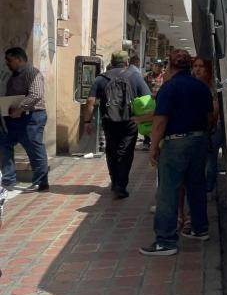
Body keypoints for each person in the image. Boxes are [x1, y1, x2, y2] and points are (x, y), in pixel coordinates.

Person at [140, 49, 213, 256]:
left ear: (170, 67)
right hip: (199, 140)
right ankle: (200, 229)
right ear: (189, 66)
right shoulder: (201, 87)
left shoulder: (169, 88)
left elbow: (160, 121)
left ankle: (165, 241)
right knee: (196, 186)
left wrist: (153, 147)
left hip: (176, 143)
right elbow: (209, 117)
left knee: (168, 191)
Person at [83, 51, 151, 199]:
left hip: (109, 121)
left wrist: (87, 121)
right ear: (127, 62)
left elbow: (90, 101)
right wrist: (145, 118)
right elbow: (147, 98)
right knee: (126, 152)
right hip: (130, 121)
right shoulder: (135, 77)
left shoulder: (101, 78)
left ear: (112, 62)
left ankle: (114, 181)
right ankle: (121, 185)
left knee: (111, 150)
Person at [0, 47, 49, 191]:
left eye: (9, 60)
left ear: (19, 59)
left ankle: (41, 181)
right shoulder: (13, 77)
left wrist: (20, 109)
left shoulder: (32, 73)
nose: (7, 63)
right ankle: (8, 180)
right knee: (4, 144)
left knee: (34, 148)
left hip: (31, 117)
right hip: (14, 119)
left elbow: (36, 94)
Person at [192, 57, 223, 193]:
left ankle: (208, 189)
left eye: (201, 66)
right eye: (195, 66)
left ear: (207, 69)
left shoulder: (212, 86)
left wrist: (210, 126)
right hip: (198, 128)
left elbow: (215, 109)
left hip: (212, 128)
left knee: (210, 159)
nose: (197, 69)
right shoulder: (192, 84)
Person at [141, 59, 165, 150]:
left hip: (160, 102)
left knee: (158, 122)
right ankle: (146, 141)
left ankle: (158, 141)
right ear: (152, 66)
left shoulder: (164, 76)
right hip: (149, 102)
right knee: (148, 122)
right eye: (156, 65)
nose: (158, 68)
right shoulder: (147, 76)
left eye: (160, 66)